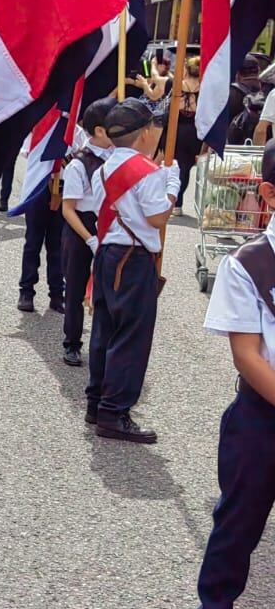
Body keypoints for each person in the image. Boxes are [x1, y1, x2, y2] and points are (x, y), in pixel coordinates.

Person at [181, 140, 275, 609]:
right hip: (261, 420)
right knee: (236, 528)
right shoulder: (250, 264)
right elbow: (247, 355)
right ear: (267, 194)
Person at [85, 98, 180, 444]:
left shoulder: (103, 167)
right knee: (131, 336)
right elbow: (157, 218)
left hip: (110, 253)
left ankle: (97, 402)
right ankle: (114, 412)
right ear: (143, 135)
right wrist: (172, 185)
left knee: (104, 330)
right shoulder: (146, 171)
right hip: (133, 258)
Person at [58, 98, 115, 367]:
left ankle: (104, 343)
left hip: (112, 226)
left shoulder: (119, 157)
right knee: (76, 287)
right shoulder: (79, 163)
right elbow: (68, 208)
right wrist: (90, 238)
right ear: (100, 130)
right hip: (82, 228)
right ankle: (72, 342)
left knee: (108, 290)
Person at [17, 169, 65, 317]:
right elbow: (28, 153)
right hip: (38, 185)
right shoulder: (36, 143)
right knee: (33, 243)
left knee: (57, 246)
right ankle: (27, 291)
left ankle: (57, 294)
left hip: (64, 187)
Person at [172, 55, 203, 214]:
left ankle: (176, 202)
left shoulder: (178, 85)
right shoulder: (203, 88)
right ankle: (178, 203)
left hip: (177, 130)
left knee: (177, 166)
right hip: (195, 132)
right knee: (186, 168)